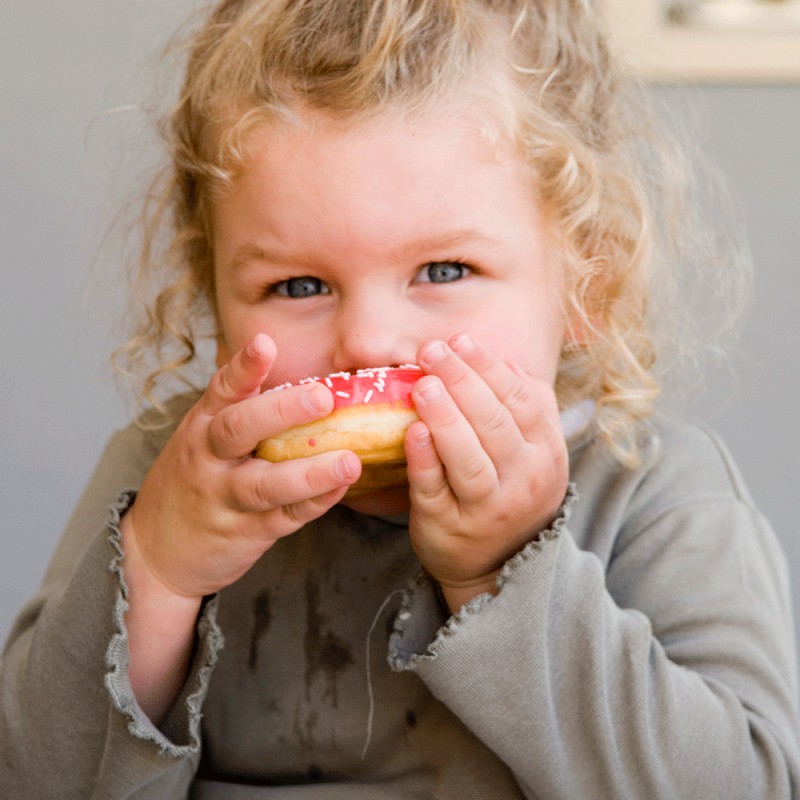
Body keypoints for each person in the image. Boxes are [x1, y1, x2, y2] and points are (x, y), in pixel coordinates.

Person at [2, 0, 798, 797]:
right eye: (299, 285)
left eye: (444, 271)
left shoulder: (652, 492)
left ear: (589, 285)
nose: (371, 341)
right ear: (214, 297)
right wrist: (160, 574)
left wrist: (501, 573)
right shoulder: (165, 484)